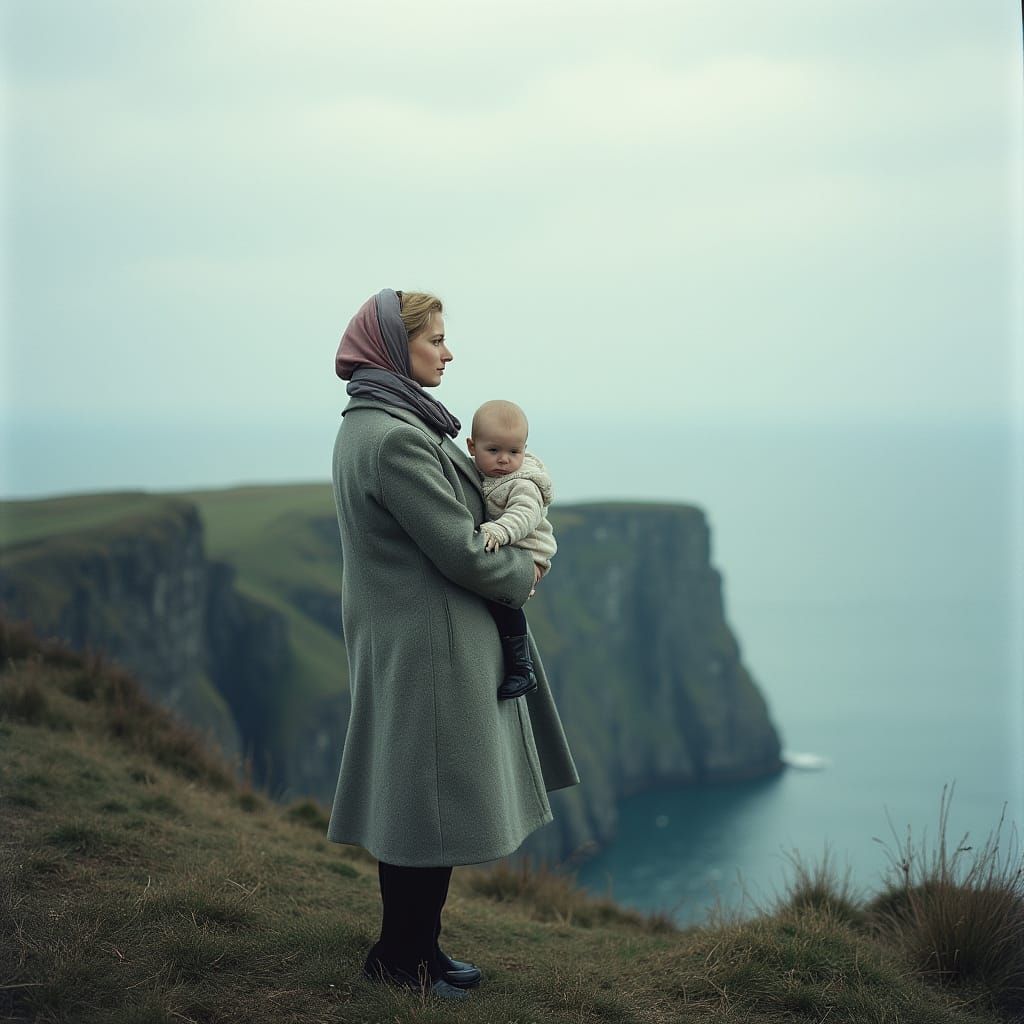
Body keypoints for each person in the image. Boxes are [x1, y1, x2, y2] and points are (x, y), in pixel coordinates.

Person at [327, 288, 579, 1001]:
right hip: (430, 644)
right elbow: (463, 552)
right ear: (391, 347)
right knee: (425, 812)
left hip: (407, 635)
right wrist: (523, 571)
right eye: (434, 339)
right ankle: (401, 959)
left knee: (419, 806)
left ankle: (416, 951)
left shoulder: (373, 423)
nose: (448, 351)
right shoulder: (398, 438)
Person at [465, 399, 557, 700]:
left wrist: (500, 530)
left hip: (530, 554)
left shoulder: (523, 483)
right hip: (513, 550)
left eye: (514, 452)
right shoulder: (487, 474)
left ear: (524, 449)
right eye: (494, 451)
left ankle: (522, 668)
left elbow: (524, 515)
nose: (504, 460)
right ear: (471, 447)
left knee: (506, 608)